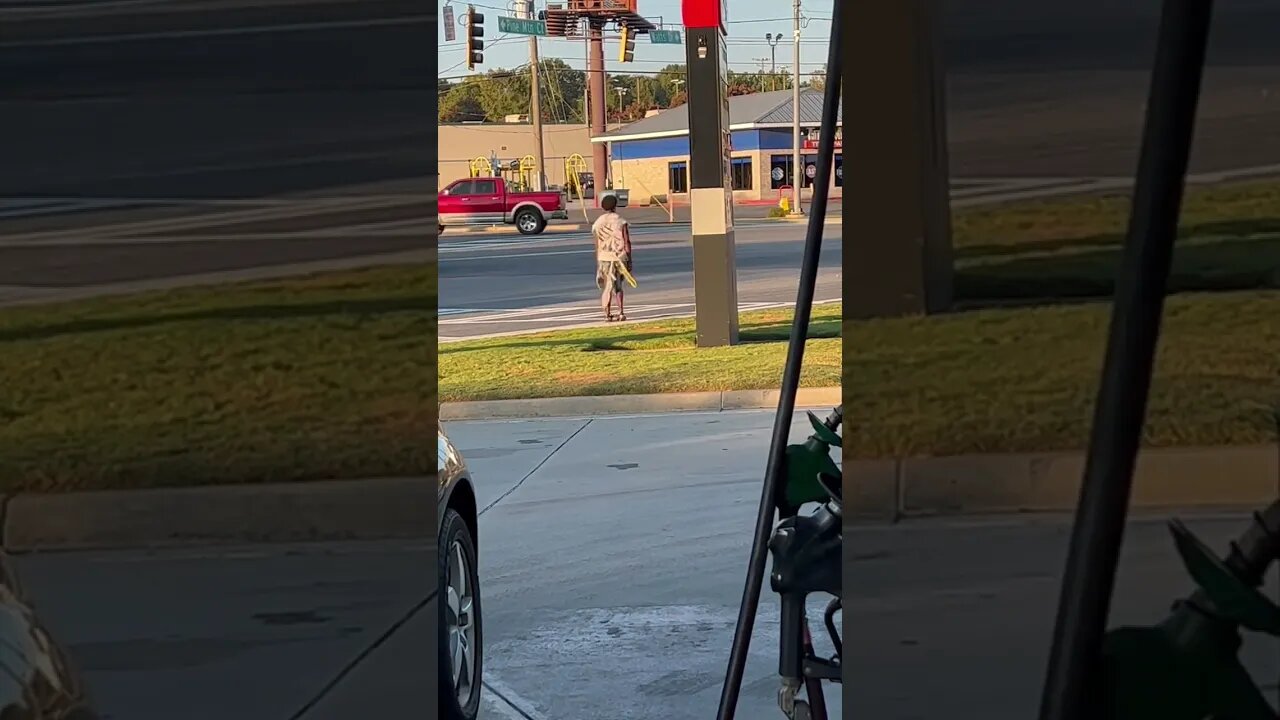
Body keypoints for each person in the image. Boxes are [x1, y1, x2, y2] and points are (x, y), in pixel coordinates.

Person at [592, 194, 633, 322]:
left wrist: (598, 260)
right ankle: (621, 312)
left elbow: (597, 243)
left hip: (604, 257)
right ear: (615, 205)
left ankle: (607, 313)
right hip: (619, 257)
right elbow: (627, 241)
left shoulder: (598, 223)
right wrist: (629, 259)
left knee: (607, 286)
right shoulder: (620, 220)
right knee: (618, 286)